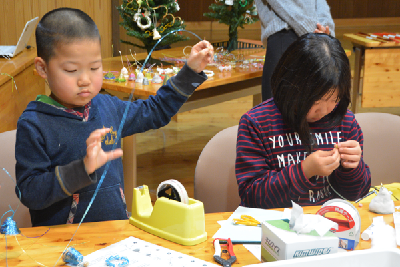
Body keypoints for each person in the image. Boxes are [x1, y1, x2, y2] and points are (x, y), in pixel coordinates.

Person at [15, 7, 214, 226]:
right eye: (71, 70)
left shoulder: (108, 105)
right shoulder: (34, 123)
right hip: (63, 247)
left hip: (116, 236)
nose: (85, 80)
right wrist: (81, 170)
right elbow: (29, 193)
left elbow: (155, 111)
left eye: (94, 67)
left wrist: (191, 72)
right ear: (42, 68)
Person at [235, 33, 371, 209]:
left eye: (335, 100)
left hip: (329, 224)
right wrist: (305, 171)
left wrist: (352, 168)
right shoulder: (256, 123)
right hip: (274, 228)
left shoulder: (345, 121)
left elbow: (357, 194)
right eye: (315, 103)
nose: (324, 112)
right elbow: (253, 196)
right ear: (292, 87)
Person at [254, 0, 335, 101]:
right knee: (279, 114)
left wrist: (325, 28)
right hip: (285, 39)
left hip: (316, 41)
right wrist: (315, 34)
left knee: (317, 113)